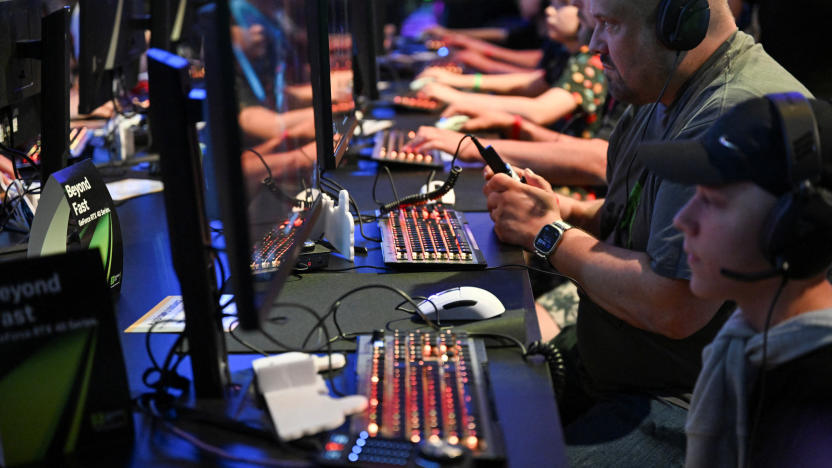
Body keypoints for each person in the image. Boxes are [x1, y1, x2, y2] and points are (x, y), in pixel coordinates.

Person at [482, 0, 811, 464]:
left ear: (680, 24)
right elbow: (637, 220)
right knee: (467, 397)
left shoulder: (729, 116)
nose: (593, 44)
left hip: (686, 405)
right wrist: (566, 210)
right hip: (620, 373)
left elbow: (674, 304)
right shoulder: (662, 89)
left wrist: (549, 234)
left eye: (608, 25)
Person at [640, 93, 832, 467]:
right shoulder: (749, 342)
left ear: (794, 228)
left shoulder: (815, 401)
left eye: (713, 201)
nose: (682, 220)